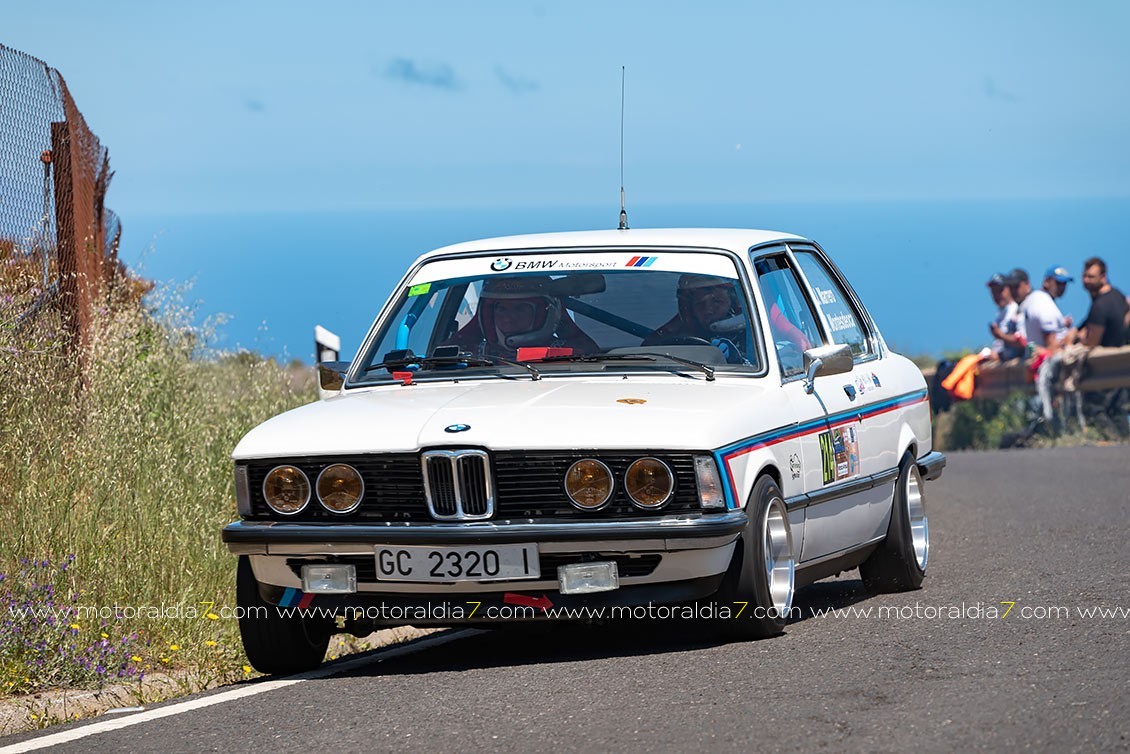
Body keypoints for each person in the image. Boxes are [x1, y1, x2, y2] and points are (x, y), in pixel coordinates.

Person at [446, 276, 598, 358]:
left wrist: (560, 317)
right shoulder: (474, 353)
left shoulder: (569, 352)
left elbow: (592, 357)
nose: (508, 318)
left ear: (545, 313)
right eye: (501, 309)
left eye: (521, 309)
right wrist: (478, 324)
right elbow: (438, 358)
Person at [1006, 267, 1070, 428]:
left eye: (1064, 284)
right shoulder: (1037, 302)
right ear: (1046, 281)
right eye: (1058, 283)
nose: (1061, 288)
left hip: (1046, 366)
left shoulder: (1035, 302)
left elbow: (1043, 341)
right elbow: (1044, 342)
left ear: (1027, 285)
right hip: (1044, 366)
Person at [1075, 256, 1129, 436]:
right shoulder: (1118, 296)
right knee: (1118, 412)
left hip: (1103, 368)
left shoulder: (1100, 306)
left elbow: (1092, 342)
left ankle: (1113, 444)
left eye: (1091, 277)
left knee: (1094, 410)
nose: (1086, 281)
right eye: (1085, 276)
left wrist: (1080, 338)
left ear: (1103, 277)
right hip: (1120, 366)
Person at [641, 274, 751, 361]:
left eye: (717, 302)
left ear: (732, 303)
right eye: (700, 304)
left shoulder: (753, 330)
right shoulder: (666, 336)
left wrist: (738, 359)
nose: (708, 310)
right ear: (689, 309)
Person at [986, 273, 1024, 361]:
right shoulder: (1000, 313)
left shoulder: (1017, 310)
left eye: (1000, 290)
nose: (997, 295)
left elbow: (1021, 342)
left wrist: (1000, 335)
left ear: (1009, 289)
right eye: (994, 292)